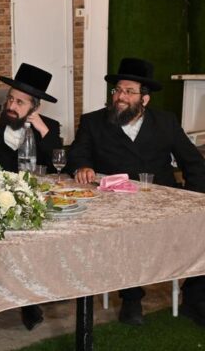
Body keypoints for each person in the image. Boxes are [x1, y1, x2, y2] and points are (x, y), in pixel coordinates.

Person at [66, 57, 205, 327]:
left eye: (129, 92)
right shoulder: (93, 121)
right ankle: (131, 299)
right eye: (117, 90)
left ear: (145, 99)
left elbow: (194, 163)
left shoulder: (166, 122)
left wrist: (191, 199)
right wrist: (82, 166)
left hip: (164, 205)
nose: (120, 97)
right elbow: (77, 154)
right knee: (124, 232)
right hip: (115, 206)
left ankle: (195, 297)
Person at [0, 63, 62, 173]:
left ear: (35, 107)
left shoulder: (49, 126)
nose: (11, 106)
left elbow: (58, 167)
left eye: (19, 102)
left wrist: (43, 130)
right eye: (10, 99)